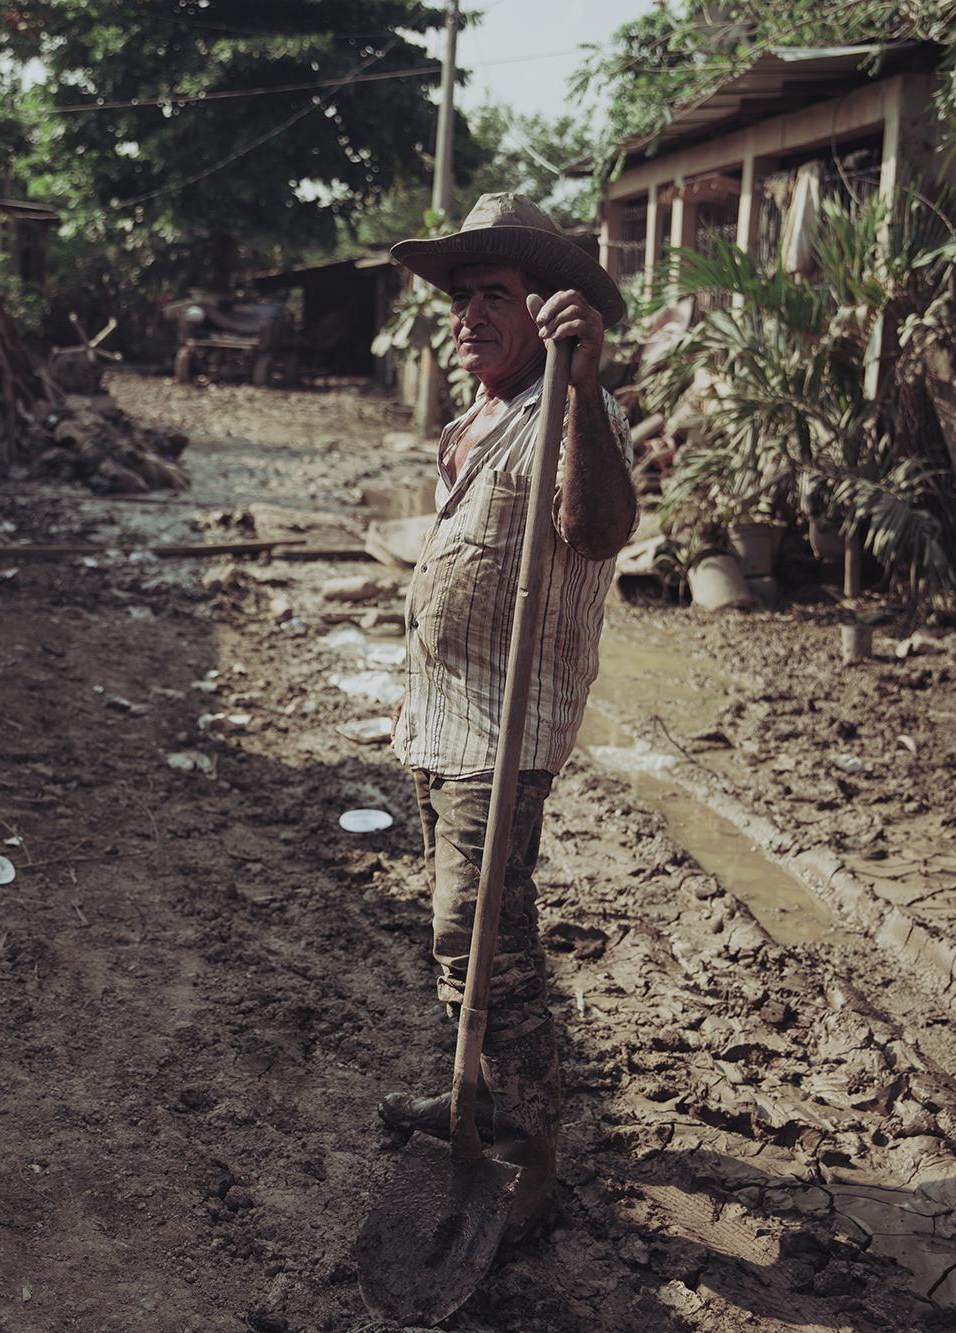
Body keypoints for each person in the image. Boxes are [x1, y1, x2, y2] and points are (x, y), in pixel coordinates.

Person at [380, 192, 636, 1234]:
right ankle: (467, 1095)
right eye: (459, 299)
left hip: (501, 726)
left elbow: (599, 526)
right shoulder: (475, 416)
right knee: (460, 936)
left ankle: (533, 1143)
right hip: (437, 717)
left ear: (547, 310)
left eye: (493, 295)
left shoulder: (573, 411)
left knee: (481, 934)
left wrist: (582, 386)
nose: (467, 316)